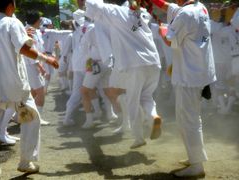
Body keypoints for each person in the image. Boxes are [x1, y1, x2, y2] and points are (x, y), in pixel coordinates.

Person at [85, 0, 162, 149]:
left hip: (135, 64)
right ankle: (153, 116)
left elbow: (92, 5)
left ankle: (139, 137)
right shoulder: (143, 14)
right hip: (153, 62)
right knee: (146, 97)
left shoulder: (117, 12)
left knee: (132, 101)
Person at [152, 0, 216, 177]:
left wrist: (162, 30)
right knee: (189, 119)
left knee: (189, 120)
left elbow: (169, 40)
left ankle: (197, 166)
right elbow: (169, 7)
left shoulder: (185, 14)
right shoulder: (200, 6)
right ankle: (195, 156)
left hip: (189, 74)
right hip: (199, 71)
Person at [0, 0, 58, 173]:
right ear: (11, 5)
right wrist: (46, 59)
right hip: (14, 86)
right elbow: (24, 49)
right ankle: (26, 161)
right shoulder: (11, 22)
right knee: (31, 119)